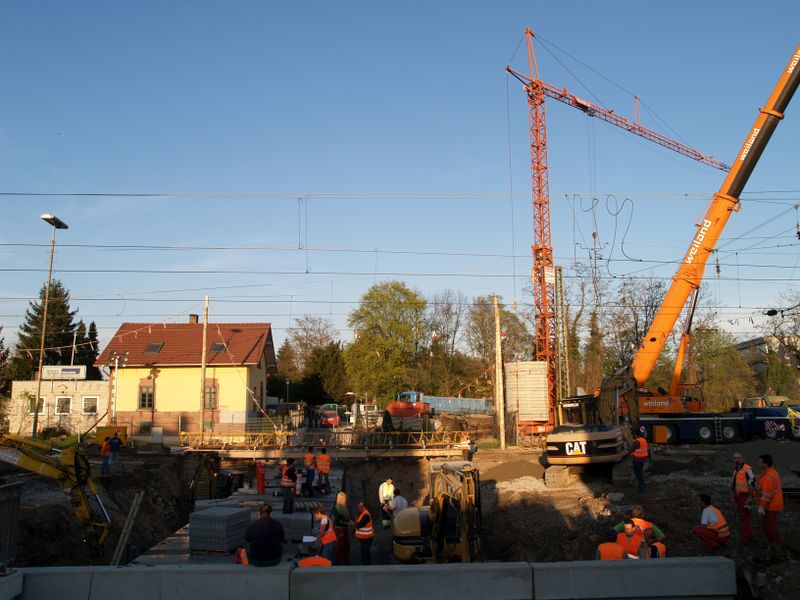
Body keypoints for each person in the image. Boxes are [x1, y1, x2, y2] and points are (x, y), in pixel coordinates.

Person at [755, 454, 784, 553]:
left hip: (771, 506)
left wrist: (761, 507)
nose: (758, 463)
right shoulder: (768, 473)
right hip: (770, 505)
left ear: (765, 463)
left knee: (769, 527)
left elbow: (766, 494)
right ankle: (776, 544)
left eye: (759, 461)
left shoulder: (768, 476)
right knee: (768, 527)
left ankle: (776, 546)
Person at [731, 452, 755, 544]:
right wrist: (732, 496)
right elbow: (733, 484)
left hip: (745, 496)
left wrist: (750, 497)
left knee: (745, 517)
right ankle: (747, 536)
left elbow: (752, 483)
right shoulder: (735, 469)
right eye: (735, 458)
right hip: (738, 495)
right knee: (742, 517)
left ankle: (747, 538)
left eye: (738, 458)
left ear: (742, 458)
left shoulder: (747, 469)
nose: (737, 460)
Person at [352, 501, 374, 565]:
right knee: (364, 553)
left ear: (363, 507)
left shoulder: (366, 515)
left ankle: (366, 566)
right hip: (364, 538)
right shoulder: (362, 513)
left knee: (365, 553)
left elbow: (359, 525)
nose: (358, 508)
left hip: (367, 538)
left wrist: (353, 524)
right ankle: (365, 565)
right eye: (357, 507)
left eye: (359, 507)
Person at [333, 491, 351, 565]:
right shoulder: (338, 508)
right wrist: (348, 522)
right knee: (340, 547)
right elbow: (338, 521)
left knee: (346, 546)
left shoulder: (344, 507)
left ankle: (345, 562)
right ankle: (339, 562)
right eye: (344, 499)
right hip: (340, 529)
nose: (345, 500)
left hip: (345, 528)